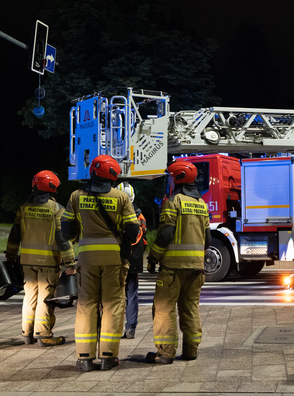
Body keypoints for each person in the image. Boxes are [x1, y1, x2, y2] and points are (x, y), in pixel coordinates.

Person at [62, 155, 140, 372]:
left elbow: (66, 230)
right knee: (112, 306)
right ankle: (108, 356)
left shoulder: (76, 196)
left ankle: (85, 357)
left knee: (86, 305)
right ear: (113, 175)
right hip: (113, 258)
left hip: (87, 257)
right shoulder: (121, 197)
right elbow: (133, 230)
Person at [145, 160, 211, 364]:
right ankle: (191, 350)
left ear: (178, 179)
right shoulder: (202, 204)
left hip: (173, 268)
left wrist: (153, 258)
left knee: (164, 308)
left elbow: (165, 234)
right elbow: (207, 240)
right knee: (190, 307)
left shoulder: (173, 202)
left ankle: (165, 352)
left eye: (172, 178)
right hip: (197, 268)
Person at [5, 170, 76, 347]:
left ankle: (26, 332)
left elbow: (15, 234)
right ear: (52, 188)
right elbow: (62, 238)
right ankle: (43, 334)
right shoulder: (57, 210)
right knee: (45, 298)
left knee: (29, 297)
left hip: (27, 263)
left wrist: (11, 255)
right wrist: (70, 262)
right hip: (48, 263)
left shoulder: (24, 207)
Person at [119, 181, 146, 340]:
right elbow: (142, 239)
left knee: (116, 295)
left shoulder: (116, 214)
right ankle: (130, 329)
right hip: (134, 260)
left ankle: (113, 326)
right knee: (132, 294)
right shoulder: (140, 216)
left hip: (119, 259)